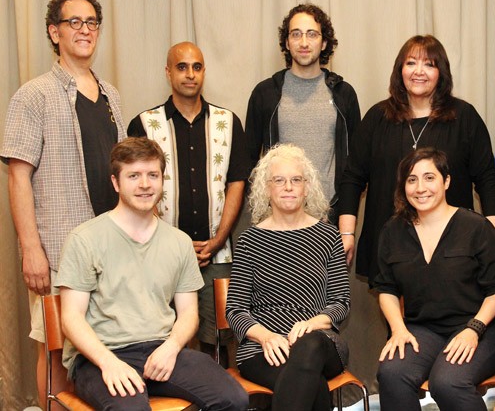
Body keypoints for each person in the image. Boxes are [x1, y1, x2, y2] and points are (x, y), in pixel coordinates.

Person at [0, 0, 126, 406]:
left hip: (111, 247)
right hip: (57, 248)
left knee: (104, 341)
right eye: (75, 22)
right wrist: (31, 249)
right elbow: (18, 177)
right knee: (54, 346)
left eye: (92, 23)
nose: (85, 30)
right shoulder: (32, 95)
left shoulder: (112, 96)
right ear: (54, 32)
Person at [54, 137, 248, 410]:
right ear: (116, 182)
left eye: (152, 175)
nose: (145, 184)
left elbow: (188, 314)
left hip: (162, 349)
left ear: (162, 180)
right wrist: (108, 363)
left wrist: (171, 348)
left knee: (234, 399)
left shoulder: (179, 242)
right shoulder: (84, 239)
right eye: (133, 175)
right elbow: (71, 318)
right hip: (102, 355)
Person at [338, 35, 495, 283]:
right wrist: (346, 233)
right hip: (388, 243)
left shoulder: (464, 117)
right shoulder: (377, 118)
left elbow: (487, 179)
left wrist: (494, 235)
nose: (419, 72)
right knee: (396, 315)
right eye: (411, 63)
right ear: (400, 70)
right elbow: (352, 177)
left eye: (429, 64)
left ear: (441, 73)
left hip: (452, 247)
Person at [128, 41, 249, 365]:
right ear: (168, 72)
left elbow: (238, 182)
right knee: (164, 340)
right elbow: (135, 189)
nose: (190, 74)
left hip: (218, 253)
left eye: (197, 67)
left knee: (220, 341)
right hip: (160, 254)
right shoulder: (144, 125)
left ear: (204, 71)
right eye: (182, 67)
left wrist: (220, 238)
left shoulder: (228, 121)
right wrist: (176, 244)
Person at [375, 148, 495, 411]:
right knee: (392, 373)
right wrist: (398, 329)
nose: (420, 187)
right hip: (424, 329)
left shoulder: (476, 227)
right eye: (411, 180)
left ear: (446, 181)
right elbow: (386, 288)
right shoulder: (393, 230)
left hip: (483, 327)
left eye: (429, 178)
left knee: (448, 382)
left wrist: (474, 328)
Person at [226, 144, 351, 410]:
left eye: (296, 180)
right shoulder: (250, 240)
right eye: (279, 181)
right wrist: (266, 337)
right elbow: (235, 309)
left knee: (310, 345)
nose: (288, 187)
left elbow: (341, 301)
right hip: (263, 349)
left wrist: (316, 322)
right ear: (266, 188)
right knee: (311, 385)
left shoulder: (328, 236)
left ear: (307, 187)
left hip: (321, 342)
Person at [244, 3, 360, 224]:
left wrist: (346, 227)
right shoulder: (265, 94)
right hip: (277, 218)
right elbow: (249, 162)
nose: (304, 43)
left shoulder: (343, 94)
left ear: (324, 42)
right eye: (296, 34)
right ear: (287, 42)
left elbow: (355, 167)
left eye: (312, 34)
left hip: (330, 217)